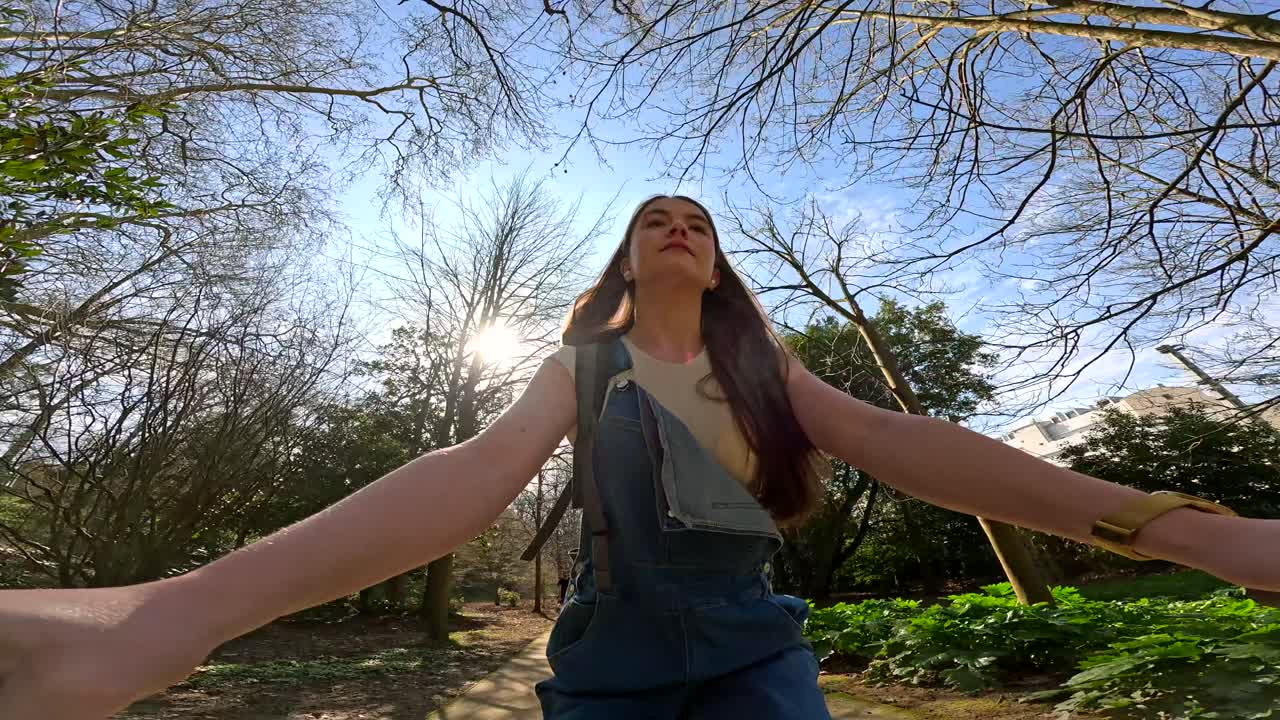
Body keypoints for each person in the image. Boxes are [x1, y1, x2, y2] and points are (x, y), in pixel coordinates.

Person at [0, 195, 1275, 720]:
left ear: (715, 265)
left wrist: (1189, 529)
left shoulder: (770, 373)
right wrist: (179, 610)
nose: (676, 228)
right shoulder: (580, 366)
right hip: (605, 661)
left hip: (757, 652)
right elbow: (469, 476)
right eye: (653, 220)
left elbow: (899, 440)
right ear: (625, 258)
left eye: (696, 223)